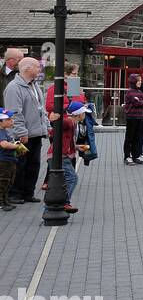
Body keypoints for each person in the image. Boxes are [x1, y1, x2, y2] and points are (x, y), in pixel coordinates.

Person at [2, 58, 46, 205]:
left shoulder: (35, 85)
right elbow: (15, 112)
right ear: (27, 68)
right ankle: (16, 193)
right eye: (37, 66)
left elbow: (41, 108)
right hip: (24, 134)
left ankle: (28, 192)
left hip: (36, 132)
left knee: (34, 164)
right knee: (20, 164)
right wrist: (21, 132)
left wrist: (46, 126)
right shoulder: (14, 87)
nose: (40, 69)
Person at [49, 99, 89, 214]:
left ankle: (57, 203)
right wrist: (54, 119)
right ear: (79, 114)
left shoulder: (73, 123)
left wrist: (76, 147)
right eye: (84, 113)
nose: (85, 115)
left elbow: (66, 139)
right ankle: (64, 202)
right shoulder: (69, 122)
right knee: (72, 178)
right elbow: (60, 123)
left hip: (60, 155)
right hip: (61, 156)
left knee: (61, 180)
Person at [0, 108, 23, 211]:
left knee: (9, 181)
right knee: (3, 181)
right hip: (4, 161)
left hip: (10, 160)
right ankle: (1, 202)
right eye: (8, 119)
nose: (12, 121)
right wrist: (16, 146)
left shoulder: (5, 131)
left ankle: (5, 200)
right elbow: (4, 144)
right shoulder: (1, 132)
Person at [122, 74, 143, 165]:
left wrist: (140, 102)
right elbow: (137, 103)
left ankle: (136, 156)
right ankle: (127, 156)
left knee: (137, 137)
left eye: (140, 80)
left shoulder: (140, 92)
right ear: (134, 82)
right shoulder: (130, 92)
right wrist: (141, 102)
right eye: (138, 81)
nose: (140, 82)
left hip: (140, 117)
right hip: (131, 117)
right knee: (129, 137)